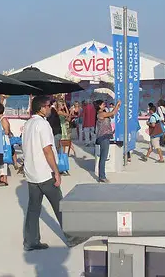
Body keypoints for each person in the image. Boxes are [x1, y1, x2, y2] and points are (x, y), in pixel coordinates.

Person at [22, 95, 86, 251]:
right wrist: (56, 171)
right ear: (42, 108)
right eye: (48, 105)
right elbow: (47, 150)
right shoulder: (42, 125)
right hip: (44, 172)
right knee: (60, 205)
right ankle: (72, 237)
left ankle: (31, 241)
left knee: (33, 209)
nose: (50, 107)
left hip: (31, 172)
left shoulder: (28, 123)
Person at [94, 99, 121, 182]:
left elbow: (112, 114)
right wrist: (117, 105)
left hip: (106, 136)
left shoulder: (104, 112)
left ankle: (102, 176)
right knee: (103, 157)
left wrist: (117, 107)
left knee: (104, 156)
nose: (104, 105)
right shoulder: (100, 114)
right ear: (99, 106)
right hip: (103, 137)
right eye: (102, 104)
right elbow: (112, 113)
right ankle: (102, 176)